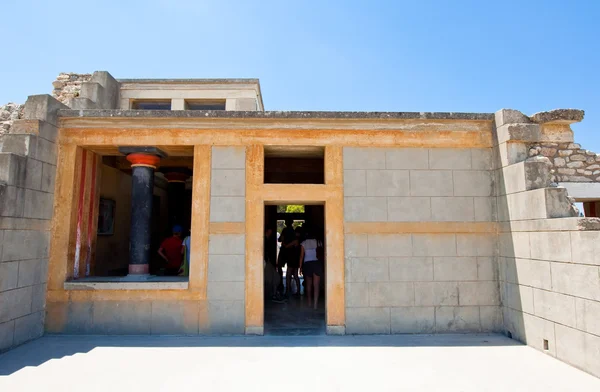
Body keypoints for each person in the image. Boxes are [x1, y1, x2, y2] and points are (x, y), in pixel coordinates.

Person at [299, 226, 324, 310]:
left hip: (307, 264)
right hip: (317, 264)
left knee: (308, 285)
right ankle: (315, 305)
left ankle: (309, 303)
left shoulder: (304, 243)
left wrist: (300, 267)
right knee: (316, 285)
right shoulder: (319, 242)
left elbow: (301, 256)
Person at [277, 218, 299, 297]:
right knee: (293, 272)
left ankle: (284, 286)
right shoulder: (293, 231)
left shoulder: (285, 230)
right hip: (291, 252)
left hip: (285, 251)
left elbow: (280, 239)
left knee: (282, 268)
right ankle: (291, 289)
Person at [264, 227, 285, 302]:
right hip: (265, 261)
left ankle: (273, 294)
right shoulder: (264, 239)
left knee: (274, 277)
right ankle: (273, 294)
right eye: (269, 232)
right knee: (272, 278)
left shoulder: (266, 239)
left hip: (267, 261)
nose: (270, 233)